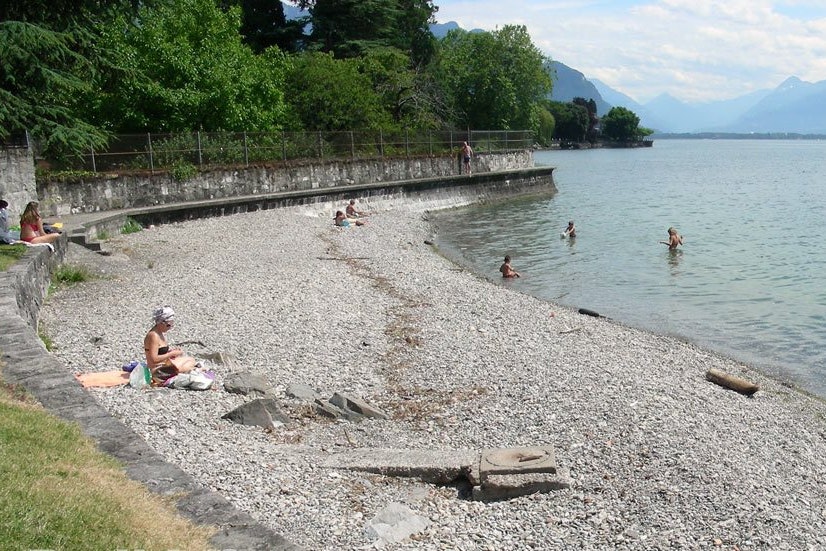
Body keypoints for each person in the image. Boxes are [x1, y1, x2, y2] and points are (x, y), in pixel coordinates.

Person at [144, 306, 197, 385]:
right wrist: (171, 354)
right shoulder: (153, 336)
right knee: (186, 365)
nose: (170, 328)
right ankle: (193, 370)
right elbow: (154, 359)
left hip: (163, 365)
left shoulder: (159, 333)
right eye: (168, 325)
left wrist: (171, 352)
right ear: (161, 323)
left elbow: (160, 352)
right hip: (156, 370)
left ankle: (191, 369)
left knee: (191, 360)